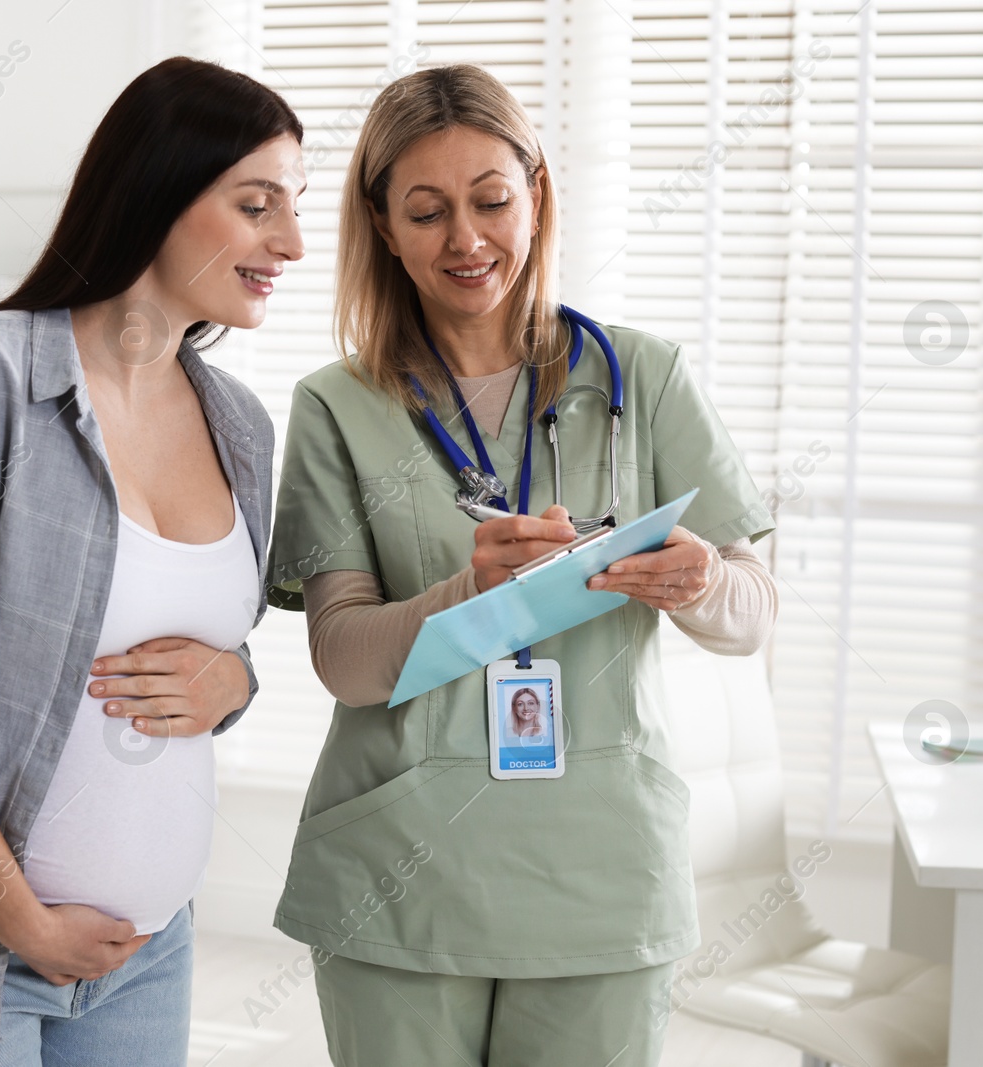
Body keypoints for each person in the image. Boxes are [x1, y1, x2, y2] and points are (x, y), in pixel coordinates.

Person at [265, 64, 777, 1067]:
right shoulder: (337, 406)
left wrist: (699, 584)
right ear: (380, 223)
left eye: (492, 200)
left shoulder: (647, 377)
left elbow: (753, 613)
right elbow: (344, 658)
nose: (465, 239)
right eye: (426, 211)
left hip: (599, 862)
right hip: (397, 864)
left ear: (536, 196)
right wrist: (471, 590)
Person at [0, 57, 304, 1064]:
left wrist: (236, 677)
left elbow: (212, 647)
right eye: (257, 206)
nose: (290, 243)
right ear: (157, 192)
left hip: (146, 954)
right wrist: (22, 917)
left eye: (293, 208)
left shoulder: (239, 424)